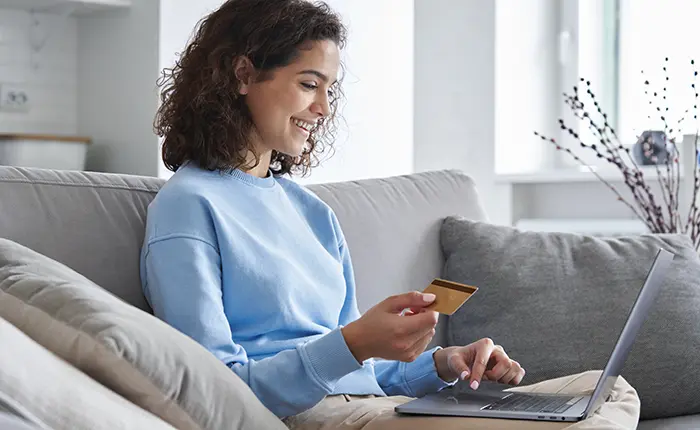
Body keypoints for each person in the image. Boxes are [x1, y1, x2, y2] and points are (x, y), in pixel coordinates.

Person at [140, 0, 640, 428]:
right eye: (309, 84)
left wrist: (445, 364)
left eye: (329, 90)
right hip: (305, 415)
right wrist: (354, 342)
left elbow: (364, 374)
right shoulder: (189, 205)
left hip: (375, 407)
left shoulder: (312, 213)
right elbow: (212, 390)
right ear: (243, 74)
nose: (324, 109)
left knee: (607, 390)